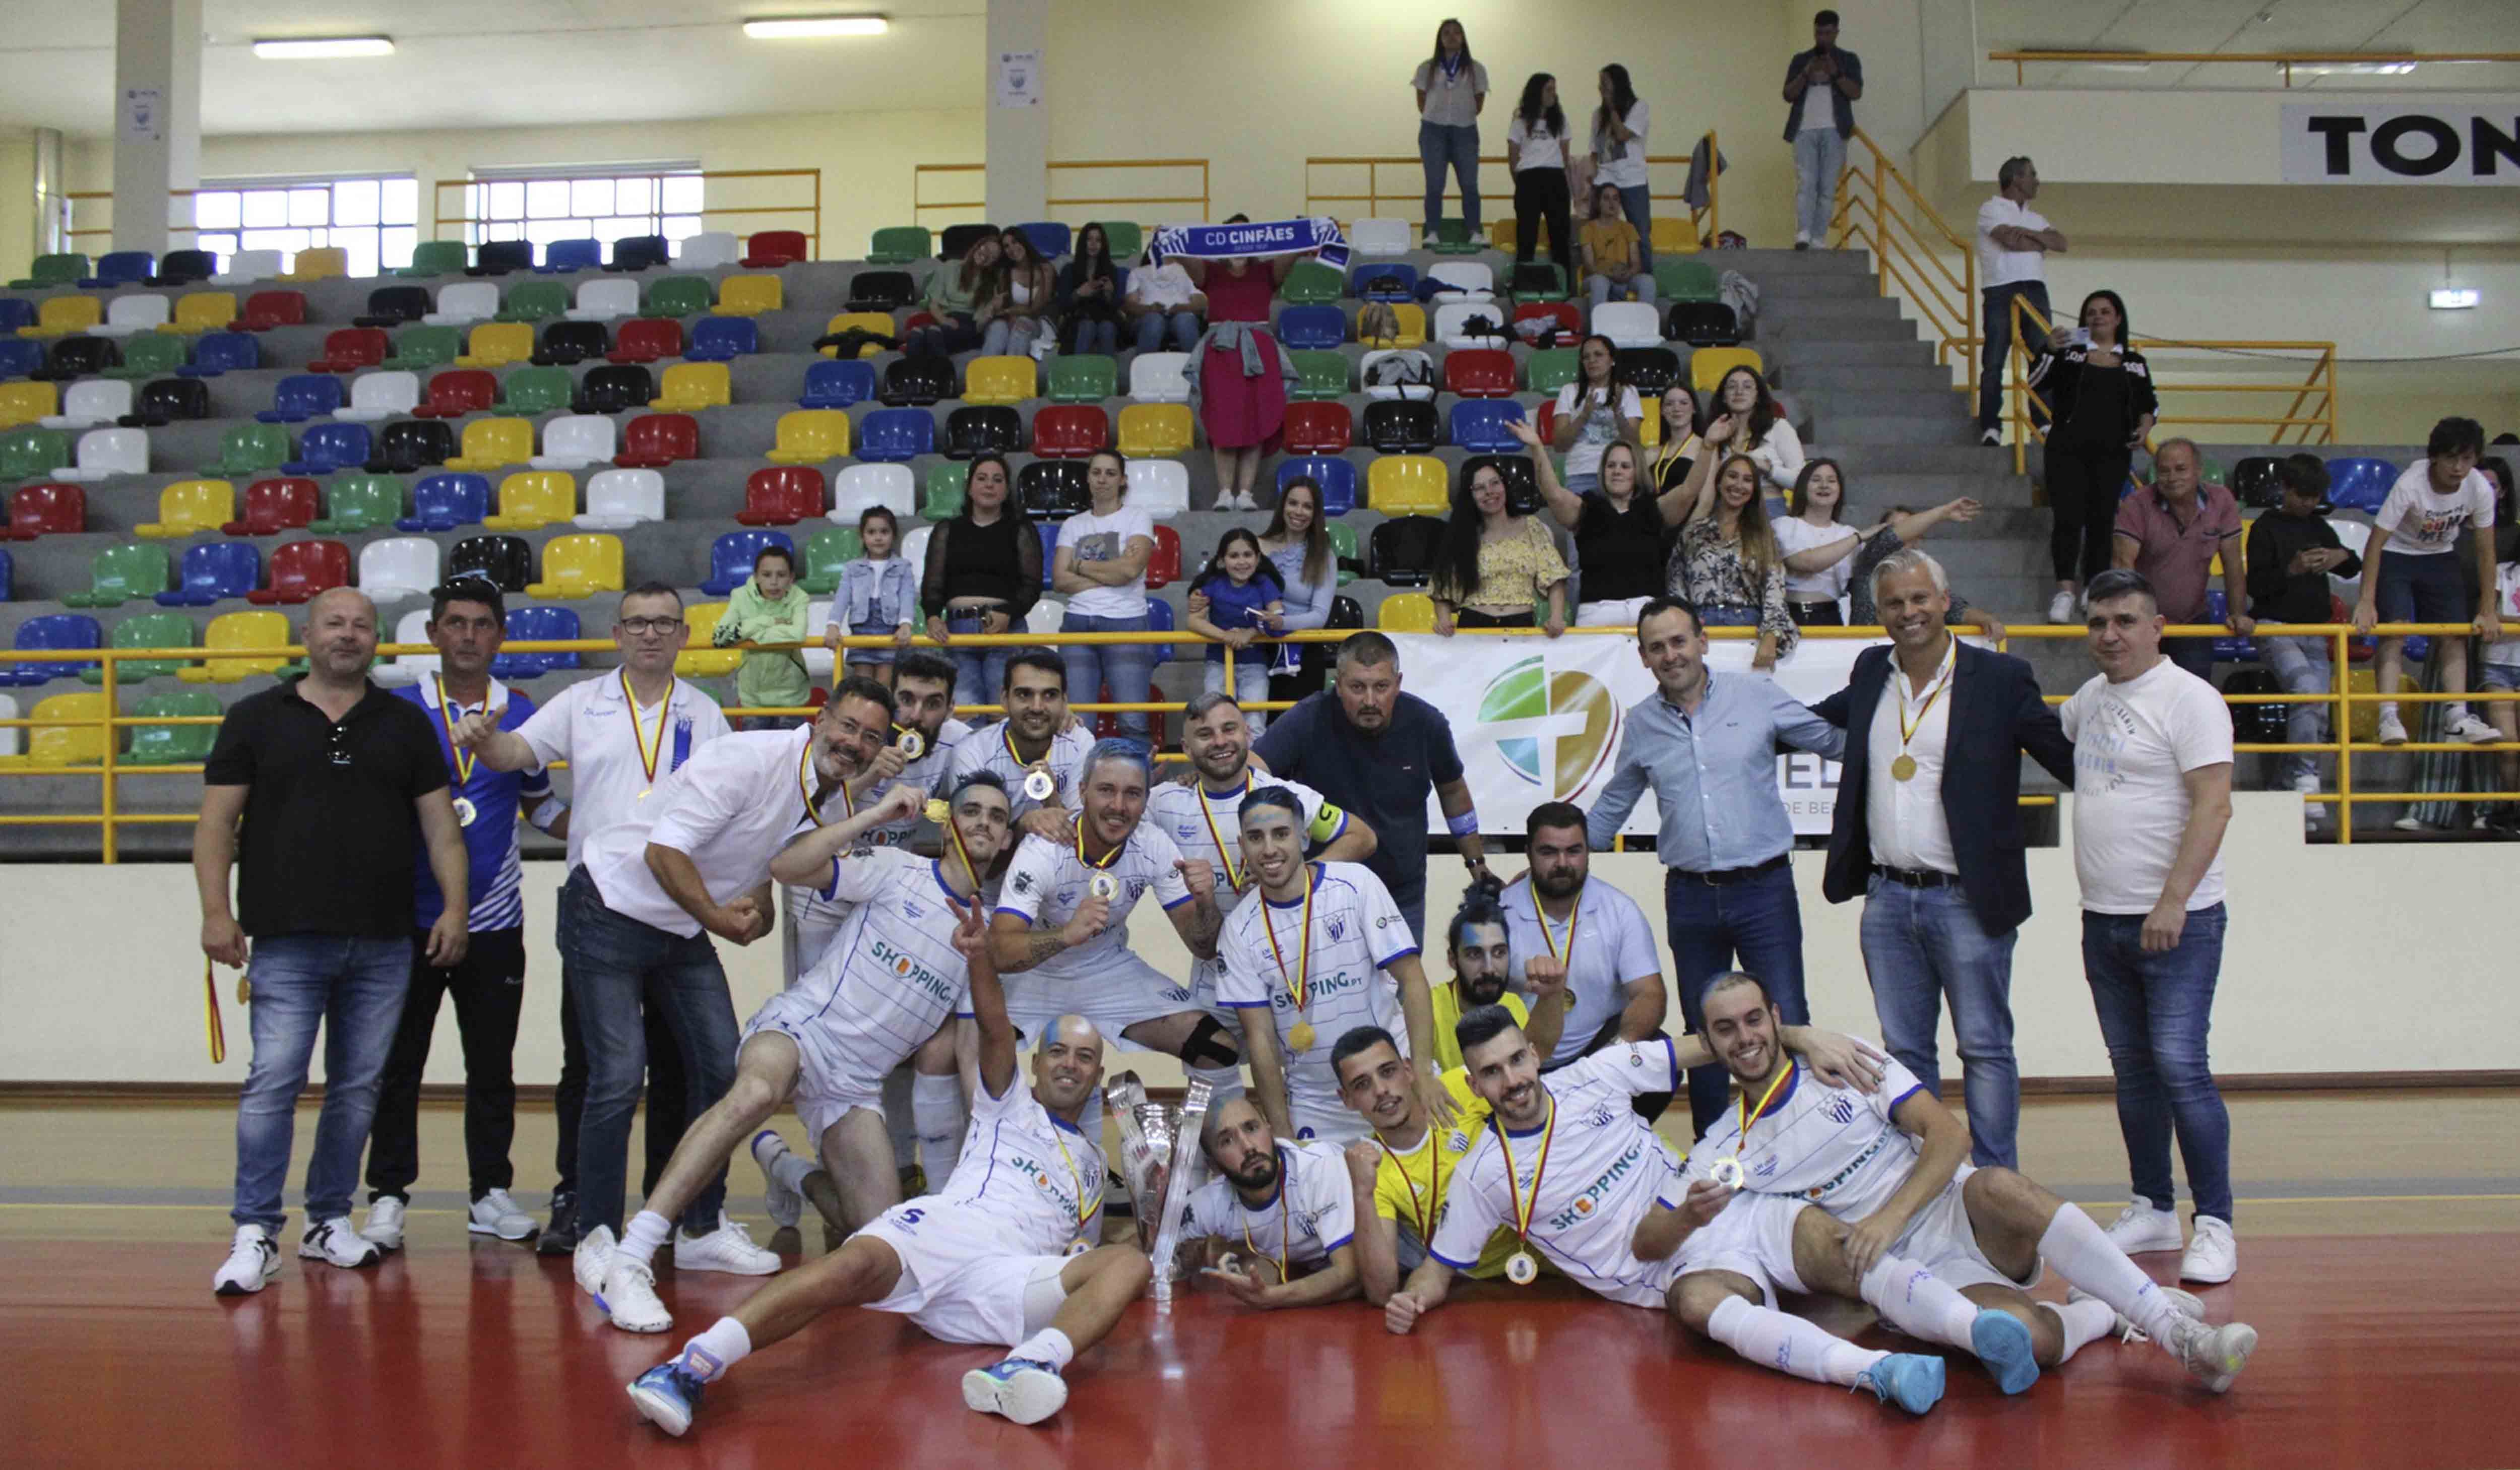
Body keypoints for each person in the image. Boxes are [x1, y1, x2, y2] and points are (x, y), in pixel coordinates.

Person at [624, 908, 1145, 1435]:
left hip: (1008, 1280)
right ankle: (688, 1367)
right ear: (1035, 1063)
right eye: (1057, 1051)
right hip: (951, 1232)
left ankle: (1026, 1365)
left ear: (1097, 1074)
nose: (1069, 1064)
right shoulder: (1007, 1102)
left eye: (1083, 1058)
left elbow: (1083, 1251)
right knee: (848, 1270)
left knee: (1126, 1263)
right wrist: (980, 959)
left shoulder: (1094, 1163)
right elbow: (991, 1026)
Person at [1673, 974, 2260, 1389]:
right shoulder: (1728, 1146)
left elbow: (1949, 1136)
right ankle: (2103, 1312)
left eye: (1755, 1019)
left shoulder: (1843, 1059)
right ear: (1709, 1041)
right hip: (1909, 1268)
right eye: (1725, 1028)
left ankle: (2179, 1335)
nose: (1745, 1036)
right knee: (2031, 1342)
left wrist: (1887, 1216)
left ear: (1778, 1018)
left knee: (2001, 1184)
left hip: (1950, 1207)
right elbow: (1668, 1224)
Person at [585, 777, 1014, 1333]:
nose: (982, 822)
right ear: (946, 821)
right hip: (803, 1030)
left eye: (997, 816)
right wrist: (874, 814)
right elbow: (787, 867)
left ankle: (789, 1170)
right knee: (757, 1093)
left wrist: (983, 1152)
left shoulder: (985, 931)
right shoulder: (896, 868)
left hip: (856, 1085)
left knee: (881, 1246)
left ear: (1006, 839)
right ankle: (631, 1255)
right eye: (971, 810)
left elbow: (966, 1042)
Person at [1383, 1006, 1958, 1416]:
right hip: (1662, 1270)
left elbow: (1714, 1042)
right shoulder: (1483, 1174)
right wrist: (1415, 1296)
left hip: (1719, 1206)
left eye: (1515, 1060)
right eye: (1491, 1072)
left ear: (1534, 1054)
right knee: (1702, 1306)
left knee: (1823, 1238)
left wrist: (1802, 1036)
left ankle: (1973, 1327)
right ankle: (1873, 1372)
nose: (1511, 1081)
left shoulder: (1594, 1074)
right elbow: (1440, 1263)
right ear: (1475, 1084)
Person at [560, 685, 907, 1287]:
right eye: (847, 726)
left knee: (725, 1070)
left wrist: (756, 910)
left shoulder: (826, 793)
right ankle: (595, 1232)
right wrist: (718, 919)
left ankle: (699, 1227)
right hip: (610, 905)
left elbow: (756, 870)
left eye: (870, 737)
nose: (853, 744)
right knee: (618, 1074)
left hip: (675, 923)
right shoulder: (747, 759)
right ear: (819, 719)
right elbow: (663, 852)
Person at [199, 587, 468, 1295]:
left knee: (356, 1090)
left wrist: (456, 909)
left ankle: (326, 1221)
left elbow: (442, 829)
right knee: (274, 1082)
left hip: (384, 944)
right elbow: (215, 827)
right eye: (334, 623)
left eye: (361, 625)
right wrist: (215, 913)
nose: (347, 635)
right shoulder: (254, 719)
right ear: (308, 634)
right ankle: (256, 1230)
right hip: (286, 941)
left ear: (375, 638)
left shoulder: (404, 724)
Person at [461, 583, 730, 1250]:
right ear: (617, 633)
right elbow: (513, 756)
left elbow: (732, 805)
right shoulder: (581, 703)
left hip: (676, 906)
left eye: (664, 623)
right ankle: (585, 1211)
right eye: (637, 623)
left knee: (698, 1064)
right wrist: (485, 741)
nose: (650, 634)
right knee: (600, 1068)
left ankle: (679, 1214)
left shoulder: (706, 712)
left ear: (683, 635)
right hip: (599, 907)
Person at [1812, 549, 2076, 1169]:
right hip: (1885, 898)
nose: (1908, 613)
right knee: (1902, 1052)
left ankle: (1992, 1182)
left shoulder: (1999, 679)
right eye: (1894, 603)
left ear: (1944, 600)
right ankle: (1924, 1180)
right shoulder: (1871, 669)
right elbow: (1811, 723)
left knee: (1984, 1048)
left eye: (1918, 599)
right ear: (1877, 613)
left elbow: (2065, 757)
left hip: (1968, 899)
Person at [1585, 598, 1844, 1136]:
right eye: (1656, 647)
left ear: (1702, 641)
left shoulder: (1757, 697)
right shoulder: (1641, 725)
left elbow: (1831, 741)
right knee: (1705, 1030)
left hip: (1763, 890)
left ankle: (1797, 1138)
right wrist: (1553, 861)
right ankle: (1712, 1147)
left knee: (1784, 1018)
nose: (1670, 654)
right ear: (1643, 658)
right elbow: (1613, 804)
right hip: (1690, 897)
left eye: (1678, 641)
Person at [359, 580, 560, 1252]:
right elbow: (352, 778)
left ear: (499, 635)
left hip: (495, 921)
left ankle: (489, 1193)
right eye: (455, 623)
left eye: (481, 624)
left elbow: (542, 804)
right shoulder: (392, 710)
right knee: (398, 1063)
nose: (469, 635)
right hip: (405, 918)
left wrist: (606, 832)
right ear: (433, 634)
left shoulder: (524, 710)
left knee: (492, 1064)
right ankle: (387, 1194)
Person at [2063, 569, 2240, 1285]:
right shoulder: (2091, 699)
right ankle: (2153, 1204)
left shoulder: (2191, 699)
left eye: (2126, 621)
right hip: (2102, 918)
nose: (2110, 634)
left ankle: (2218, 1221)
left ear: (2157, 625)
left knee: (2180, 1067)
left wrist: (2172, 901)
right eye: (2099, 622)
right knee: (2133, 1071)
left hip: (2178, 923)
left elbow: (2214, 806)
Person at [988, 739, 1239, 1100]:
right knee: (965, 1045)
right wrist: (1065, 935)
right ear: (1083, 792)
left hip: (1109, 971)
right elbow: (1000, 950)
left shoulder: (1153, 845)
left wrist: (1206, 905)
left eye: (1133, 793)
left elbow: (1202, 948)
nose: (1118, 807)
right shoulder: (1043, 850)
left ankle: (1204, 1154)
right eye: (1106, 790)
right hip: (1036, 976)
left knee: (1218, 1048)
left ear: (1145, 800)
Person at [1218, 787, 1443, 1143]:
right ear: (1242, 845)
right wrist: (1282, 1132)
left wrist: (1422, 1073)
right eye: (1256, 838)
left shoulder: (1355, 885)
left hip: (1395, 1078)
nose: (1270, 849)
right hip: (1318, 1102)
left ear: (1305, 837)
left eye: (1281, 834)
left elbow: (1413, 978)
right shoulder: (1238, 930)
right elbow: (1259, 1038)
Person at [1255, 630, 1490, 941]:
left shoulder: (1427, 724)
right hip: (1326, 892)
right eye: (1357, 687)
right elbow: (1252, 770)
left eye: (1381, 687)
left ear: (1398, 684)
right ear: (1338, 685)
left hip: (1401, 892)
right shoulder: (1308, 718)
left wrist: (1476, 864)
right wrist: (1205, 777)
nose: (1370, 701)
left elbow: (1453, 791)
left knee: (1406, 988)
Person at [2351, 415, 2502, 747]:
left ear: (2475, 459)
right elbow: (2375, 541)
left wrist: (2489, 607)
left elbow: (2486, 550)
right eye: (2451, 458)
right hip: (2397, 553)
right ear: (2435, 456)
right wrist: (2367, 599)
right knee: (2395, 630)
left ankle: (2457, 716)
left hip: (2440, 555)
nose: (2458, 467)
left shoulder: (2478, 488)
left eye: (2466, 459)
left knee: (2454, 633)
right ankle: (2388, 716)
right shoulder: (2411, 483)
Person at [1497, 800, 1667, 1076]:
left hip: (1597, 1055)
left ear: (1588, 851)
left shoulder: (1620, 910)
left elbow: (1650, 994)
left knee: (1656, 1052)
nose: (1563, 863)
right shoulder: (1500, 914)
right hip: (1518, 1060)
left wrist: (1612, 1058)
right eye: (1549, 852)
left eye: (1574, 851)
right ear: (1528, 853)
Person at [2029, 289, 2158, 623]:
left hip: (2112, 452)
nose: (2097, 317)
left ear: (2117, 318)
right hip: (2066, 449)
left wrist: (2144, 431)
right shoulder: (2069, 354)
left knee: (2102, 521)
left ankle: (2095, 589)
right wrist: (2048, 349)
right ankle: (2065, 592)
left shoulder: (2135, 362)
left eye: (2104, 312)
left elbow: (2148, 407)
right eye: (2091, 313)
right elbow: (2036, 382)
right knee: (2068, 519)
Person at [2244, 455, 2360, 826]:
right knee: (2308, 692)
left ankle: (2285, 789)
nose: (2310, 503)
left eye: (2316, 497)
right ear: (2286, 489)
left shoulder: (2318, 525)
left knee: (2318, 707)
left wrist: (2337, 555)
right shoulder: (2265, 527)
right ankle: (2306, 778)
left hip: (2316, 630)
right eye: (2304, 495)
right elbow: (2256, 587)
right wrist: (2292, 570)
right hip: (2276, 627)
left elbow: (2352, 564)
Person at [1176, 1098, 1362, 1309]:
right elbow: (1151, 1246)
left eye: (1252, 1128)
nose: (1248, 1147)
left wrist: (1271, 1297)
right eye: (1227, 1141)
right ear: (1213, 1164)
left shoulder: (1318, 1165)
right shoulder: (1212, 1200)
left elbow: (1350, 1272)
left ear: (1269, 1129)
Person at [1515, 421, 1689, 627]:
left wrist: (1708, 447)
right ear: (1603, 471)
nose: (1617, 471)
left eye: (1625, 466)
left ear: (1637, 472)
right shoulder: (1586, 508)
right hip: (1596, 616)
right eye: (1611, 465)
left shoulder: (1654, 508)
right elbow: (1553, 493)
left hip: (1649, 617)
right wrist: (1537, 447)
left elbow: (1690, 491)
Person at [1181, 224, 1303, 511]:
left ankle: (1246, 493)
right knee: (1223, 424)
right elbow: (1185, 257)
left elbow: (1294, 253)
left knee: (1256, 421)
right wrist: (1170, 238)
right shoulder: (1210, 272)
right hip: (1220, 354)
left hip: (1258, 353)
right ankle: (1225, 492)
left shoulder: (1267, 272)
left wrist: (1313, 233)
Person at [2111, 438, 2248, 681]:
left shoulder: (2222, 501)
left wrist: (2237, 613)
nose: (2172, 477)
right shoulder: (2137, 505)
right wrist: (2131, 620)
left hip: (2192, 622)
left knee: (2193, 703)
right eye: (2164, 471)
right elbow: (2123, 565)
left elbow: (2233, 564)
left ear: (2199, 471)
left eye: (2181, 469)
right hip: (2143, 624)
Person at [921, 453, 1041, 712]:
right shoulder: (947, 530)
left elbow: (1032, 584)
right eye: (982, 478)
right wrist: (932, 616)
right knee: (966, 715)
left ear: (1007, 490)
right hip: (956, 632)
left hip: (1006, 630)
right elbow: (933, 582)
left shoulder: (1021, 529)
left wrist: (1009, 613)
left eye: (997, 480)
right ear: (969, 487)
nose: (989, 485)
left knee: (1005, 713)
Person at [1051, 449, 1157, 741]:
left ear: (1122, 480)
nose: (1102, 480)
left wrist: (1080, 566)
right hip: (1077, 624)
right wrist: (1114, 574)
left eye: (1110, 473)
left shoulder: (1138, 517)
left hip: (1126, 623)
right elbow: (1060, 579)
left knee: (1133, 721)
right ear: (1087, 478)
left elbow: (1131, 571)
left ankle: (1140, 787)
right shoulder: (1073, 524)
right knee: (1076, 723)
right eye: (1096, 472)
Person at [1669, 451, 1796, 668]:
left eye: (1748, 480)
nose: (1739, 485)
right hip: (1699, 633)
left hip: (1749, 633)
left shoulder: (1764, 535)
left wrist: (1771, 635)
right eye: (1732, 476)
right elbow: (1676, 588)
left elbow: (1774, 590)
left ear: (1754, 490)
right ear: (1719, 482)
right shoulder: (1693, 533)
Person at [1420, 884, 1564, 1072]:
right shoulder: (1428, 1008)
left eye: (1499, 953)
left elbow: (1535, 1055)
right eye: (1474, 954)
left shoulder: (1512, 1004)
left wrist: (1552, 996)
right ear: (1453, 959)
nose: (1489, 969)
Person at [943, 648, 1094, 826]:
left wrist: (1052, 800)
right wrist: (1024, 825)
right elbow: (975, 842)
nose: (1037, 707)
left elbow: (1083, 839)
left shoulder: (1079, 741)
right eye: (1024, 695)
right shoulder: (973, 752)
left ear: (1064, 702)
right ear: (1004, 699)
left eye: (1050, 696)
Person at [1976, 156, 2066, 443]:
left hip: (2036, 289)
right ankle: (1991, 427)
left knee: (2044, 357)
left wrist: (2027, 233)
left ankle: (2043, 422)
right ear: (2016, 179)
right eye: (2033, 175)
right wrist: (2040, 239)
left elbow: (2061, 243)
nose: (2038, 180)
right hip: (2001, 289)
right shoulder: (1990, 209)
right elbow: (2010, 241)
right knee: (1994, 359)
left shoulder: (2035, 217)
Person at [1430, 457, 1569, 637]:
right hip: (1474, 625)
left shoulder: (1532, 527)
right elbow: (1442, 587)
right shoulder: (1461, 535)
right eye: (1480, 488)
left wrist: (1556, 617)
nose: (1489, 492)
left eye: (1495, 483)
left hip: (1521, 625)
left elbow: (1555, 578)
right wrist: (1444, 620)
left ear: (1505, 486)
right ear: (1470, 495)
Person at [1842, 498, 1999, 635]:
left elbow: (1955, 608)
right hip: (1864, 654)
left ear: (1918, 539)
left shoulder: (1923, 572)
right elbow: (1891, 539)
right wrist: (1943, 512)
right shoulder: (1869, 564)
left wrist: (1986, 619)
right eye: (1898, 529)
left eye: (1912, 529)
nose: (1903, 537)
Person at [1184, 527, 1287, 727]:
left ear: (1258, 559)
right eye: (1234, 556)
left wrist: (1249, 633)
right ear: (1222, 561)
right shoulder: (1213, 584)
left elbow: (1278, 616)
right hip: (1218, 663)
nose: (1242, 562)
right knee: (1217, 720)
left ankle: (1252, 760)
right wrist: (1226, 636)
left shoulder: (1264, 583)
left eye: (1248, 555)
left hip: (1255, 664)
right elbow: (1194, 621)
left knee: (1254, 723)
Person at [1782, 10, 1863, 250]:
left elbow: (1855, 93)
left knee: (1827, 187)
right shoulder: (1801, 59)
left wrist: (1834, 71)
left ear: (1837, 32)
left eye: (1828, 33)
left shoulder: (1849, 60)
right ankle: (1803, 234)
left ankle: (1819, 238)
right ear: (1814, 32)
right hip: (1804, 129)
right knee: (1806, 183)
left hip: (1836, 130)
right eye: (1819, 33)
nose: (1823, 38)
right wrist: (1807, 72)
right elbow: (1788, 94)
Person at [1255, 475, 1338, 704]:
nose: (1299, 511)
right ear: (1283, 505)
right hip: (1257, 652)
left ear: (1316, 513)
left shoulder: (1324, 556)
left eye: (1307, 506)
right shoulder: (1256, 546)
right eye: (1293, 503)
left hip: (1303, 656)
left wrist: (1282, 624)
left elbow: (1320, 616)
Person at [818, 504, 919, 688]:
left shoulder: (903, 566)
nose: (878, 537)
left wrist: (906, 624)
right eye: (872, 532)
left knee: (883, 686)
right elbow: (842, 598)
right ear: (863, 536)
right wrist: (833, 626)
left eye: (884, 532)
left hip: (890, 631)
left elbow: (907, 596)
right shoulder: (852, 567)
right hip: (861, 631)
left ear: (893, 535)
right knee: (863, 686)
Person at [713, 544, 811, 728]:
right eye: (767, 575)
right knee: (756, 756)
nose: (774, 582)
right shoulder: (740, 596)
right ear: (756, 576)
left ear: (791, 579)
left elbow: (797, 634)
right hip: (753, 698)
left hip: (792, 698)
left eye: (781, 575)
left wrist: (749, 636)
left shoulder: (800, 597)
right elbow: (720, 637)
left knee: (791, 756)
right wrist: (768, 621)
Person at [1411, 19, 1488, 247]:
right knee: (1435, 184)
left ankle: (1475, 231)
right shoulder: (1427, 67)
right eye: (1446, 33)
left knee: (1469, 184)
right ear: (1440, 39)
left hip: (1465, 130)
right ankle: (1433, 230)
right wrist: (1438, 116)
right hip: (1433, 130)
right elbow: (1421, 101)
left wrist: (1461, 116)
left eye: (1456, 33)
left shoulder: (1476, 69)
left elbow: (1479, 102)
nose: (1452, 37)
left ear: (1463, 37)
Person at [1505, 73, 1576, 295]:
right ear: (1536, 92)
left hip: (1555, 178)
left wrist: (1561, 180)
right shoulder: (1520, 122)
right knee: (1526, 236)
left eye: (1555, 89)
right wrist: (1522, 182)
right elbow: (1513, 158)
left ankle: (1564, 289)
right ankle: (1523, 288)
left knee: (1560, 238)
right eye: (1548, 89)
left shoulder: (1561, 122)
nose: (1553, 94)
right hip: (1529, 179)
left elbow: (1565, 156)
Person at [1771, 458, 1861, 626]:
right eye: (1816, 480)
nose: (1824, 485)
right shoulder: (1784, 525)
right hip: (1788, 616)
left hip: (1830, 617)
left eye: (1831, 481)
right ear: (1804, 487)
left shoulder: (1848, 533)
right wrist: (1859, 538)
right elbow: (1807, 563)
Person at [1550, 333, 1642, 493]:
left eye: (1598, 355)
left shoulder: (1628, 392)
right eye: (1586, 357)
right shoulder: (1569, 391)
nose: (1592, 360)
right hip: (1580, 474)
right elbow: (1559, 445)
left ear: (1612, 360)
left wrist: (1618, 413)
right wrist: (1584, 415)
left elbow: (1634, 443)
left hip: (1618, 474)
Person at [1702, 364, 1805, 493]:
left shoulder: (1778, 427)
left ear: (1758, 396)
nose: (1739, 392)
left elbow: (1803, 481)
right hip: (1724, 506)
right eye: (1732, 387)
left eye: (1747, 387)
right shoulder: (1714, 432)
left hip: (1769, 508)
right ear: (1724, 397)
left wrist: (1768, 468)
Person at [1589, 66, 1653, 269]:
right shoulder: (1598, 115)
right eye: (1600, 84)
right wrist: (1591, 177)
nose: (1601, 89)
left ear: (1618, 84)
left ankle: (1646, 281)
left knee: (1640, 233)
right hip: (1604, 178)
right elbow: (1594, 151)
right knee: (1595, 232)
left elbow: (1623, 135)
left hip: (1633, 179)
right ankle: (1597, 277)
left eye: (1605, 84)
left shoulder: (1639, 107)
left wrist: (1612, 107)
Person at [902, 231, 998, 357]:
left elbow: (979, 325)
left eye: (992, 256)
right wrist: (944, 320)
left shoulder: (991, 283)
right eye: (985, 248)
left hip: (969, 326)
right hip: (945, 320)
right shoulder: (950, 267)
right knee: (917, 334)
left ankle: (942, 374)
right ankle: (915, 376)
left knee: (933, 334)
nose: (985, 255)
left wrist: (990, 310)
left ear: (994, 263)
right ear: (978, 246)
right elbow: (934, 303)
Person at [980, 227, 1055, 358]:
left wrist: (1010, 311)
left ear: (1023, 242)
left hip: (1035, 322)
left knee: (1022, 326)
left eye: (1015, 242)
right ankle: (984, 376)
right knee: (998, 329)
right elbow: (1001, 307)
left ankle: (1013, 375)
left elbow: (1037, 309)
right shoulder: (1005, 272)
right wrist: (999, 309)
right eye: (1007, 246)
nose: (1012, 249)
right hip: (1009, 320)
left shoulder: (1045, 269)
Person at [1053, 222, 1123, 356]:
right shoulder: (1069, 270)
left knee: (1107, 327)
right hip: (1078, 318)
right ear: (1082, 242)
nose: (1093, 244)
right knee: (1088, 326)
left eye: (1098, 240)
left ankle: (1107, 375)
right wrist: (1079, 294)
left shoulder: (1111, 270)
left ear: (1103, 245)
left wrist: (1109, 294)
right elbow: (1062, 306)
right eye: (1089, 239)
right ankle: (1079, 373)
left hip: (1104, 317)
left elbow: (1116, 307)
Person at [1579, 184, 1655, 308]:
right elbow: (1590, 266)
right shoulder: (1587, 229)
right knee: (1599, 282)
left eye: (1615, 199)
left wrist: (1628, 275)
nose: (1612, 203)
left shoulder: (1628, 228)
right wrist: (1610, 275)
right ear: (1598, 203)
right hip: (1598, 277)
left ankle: (1642, 325)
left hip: (1624, 277)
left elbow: (1636, 264)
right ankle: (1599, 326)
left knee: (1648, 281)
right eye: (1606, 198)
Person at [1121, 247, 1205, 355]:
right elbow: (1130, 305)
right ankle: (1145, 369)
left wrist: (1182, 308)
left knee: (1184, 320)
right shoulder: (1137, 273)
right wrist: (1150, 309)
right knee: (1154, 320)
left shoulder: (1188, 272)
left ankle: (1196, 368)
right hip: (1148, 318)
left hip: (1182, 314)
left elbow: (1201, 302)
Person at [1646, 384, 1703, 495]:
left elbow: (1706, 501)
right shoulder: (1650, 454)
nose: (1677, 409)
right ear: (1662, 411)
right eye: (1669, 404)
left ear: (1694, 409)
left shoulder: (1706, 448)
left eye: (1684, 403)